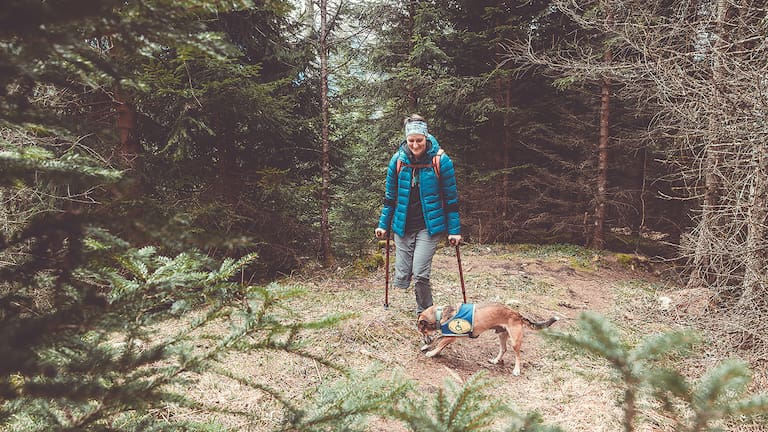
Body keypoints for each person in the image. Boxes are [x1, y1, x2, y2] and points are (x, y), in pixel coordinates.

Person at [375, 114, 462, 315]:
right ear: (406, 139)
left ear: (426, 137)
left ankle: (425, 312)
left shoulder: (441, 161)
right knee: (403, 274)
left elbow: (451, 200)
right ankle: (418, 304)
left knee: (420, 272)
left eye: (419, 140)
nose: (415, 145)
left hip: (429, 227)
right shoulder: (397, 161)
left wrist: (454, 231)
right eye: (411, 140)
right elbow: (390, 198)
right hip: (402, 226)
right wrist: (383, 224)